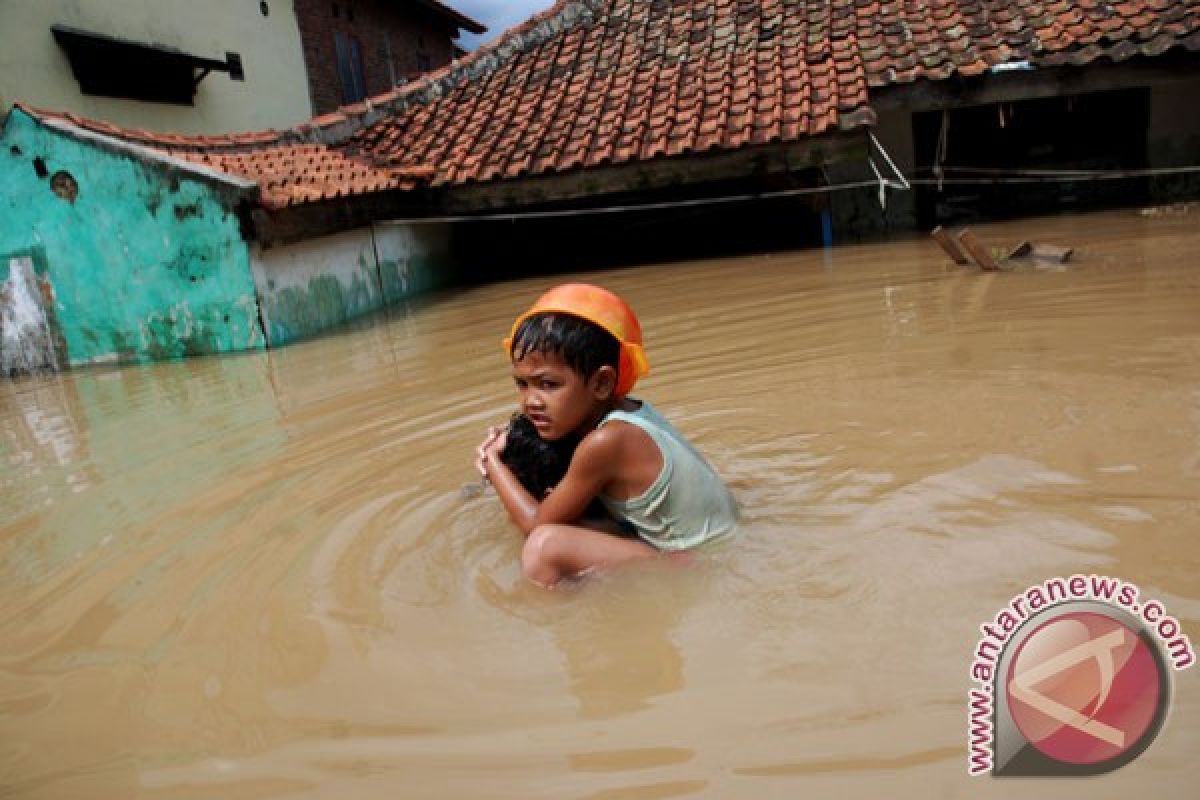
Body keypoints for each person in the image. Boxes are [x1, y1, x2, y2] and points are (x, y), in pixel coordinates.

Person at [476, 283, 736, 587]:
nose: (530, 401)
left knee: (543, 547)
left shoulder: (605, 442)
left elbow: (535, 523)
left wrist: (493, 460)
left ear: (601, 383)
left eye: (547, 384)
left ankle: (562, 619)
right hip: (717, 546)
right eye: (522, 385)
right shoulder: (631, 413)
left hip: (695, 565)